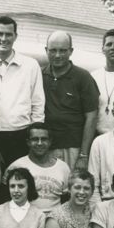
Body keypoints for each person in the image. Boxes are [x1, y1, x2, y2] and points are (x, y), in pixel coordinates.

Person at [0, 15, 45, 164]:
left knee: (18, 183)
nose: (4, 38)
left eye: (8, 34)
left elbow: (38, 104)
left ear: (15, 36)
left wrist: (34, 137)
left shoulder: (30, 66)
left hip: (20, 136)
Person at [42, 30, 98, 169]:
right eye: (53, 50)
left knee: (72, 187)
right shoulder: (39, 75)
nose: (57, 55)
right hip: (44, 146)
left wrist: (83, 155)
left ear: (71, 51)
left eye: (63, 50)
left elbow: (91, 117)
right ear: (46, 50)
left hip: (73, 148)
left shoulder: (83, 77)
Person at [6, 122, 72, 212]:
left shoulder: (63, 167)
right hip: (27, 220)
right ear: (28, 142)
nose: (39, 143)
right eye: (35, 139)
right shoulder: (16, 166)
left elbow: (66, 200)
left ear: (50, 141)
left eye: (44, 139)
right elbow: (7, 199)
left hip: (54, 221)